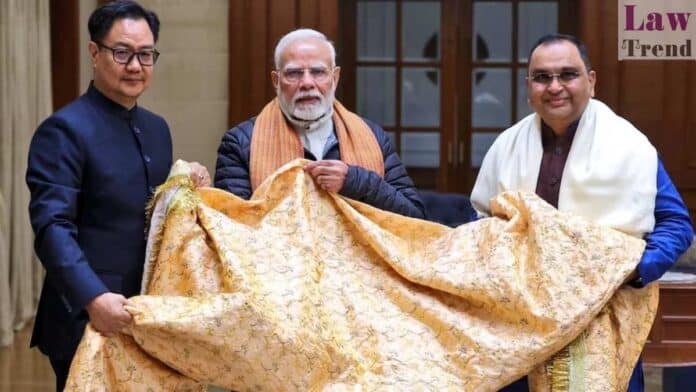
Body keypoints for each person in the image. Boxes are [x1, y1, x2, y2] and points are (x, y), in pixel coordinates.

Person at [470, 33, 694, 392]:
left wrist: (633, 270)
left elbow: (676, 224)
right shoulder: (506, 146)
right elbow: (480, 219)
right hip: (519, 322)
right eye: (542, 77)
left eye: (567, 75)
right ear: (528, 87)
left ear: (590, 81)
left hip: (600, 318)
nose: (554, 87)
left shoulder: (630, 147)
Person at [26, 1, 209, 390]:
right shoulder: (63, 130)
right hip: (87, 314)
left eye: (146, 54)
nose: (135, 65)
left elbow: (151, 216)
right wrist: (93, 297)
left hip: (146, 312)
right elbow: (51, 227)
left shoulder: (157, 129)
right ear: (95, 53)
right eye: (122, 52)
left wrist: (185, 186)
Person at [215, 29, 425, 218]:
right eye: (294, 73)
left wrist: (355, 181)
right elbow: (231, 228)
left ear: (335, 77)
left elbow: (414, 217)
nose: (307, 83)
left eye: (318, 72)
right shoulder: (241, 142)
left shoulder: (372, 136)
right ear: (276, 81)